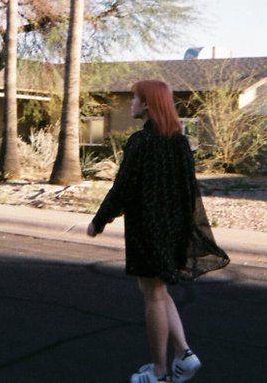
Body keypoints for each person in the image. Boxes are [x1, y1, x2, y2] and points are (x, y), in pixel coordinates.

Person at [87, 79, 229, 383]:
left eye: (134, 98)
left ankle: (159, 372)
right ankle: (184, 355)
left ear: (148, 104)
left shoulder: (141, 142)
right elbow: (189, 190)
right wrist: (186, 229)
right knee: (158, 292)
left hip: (148, 231)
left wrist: (98, 221)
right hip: (173, 228)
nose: (131, 103)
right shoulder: (180, 142)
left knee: (152, 297)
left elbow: (122, 189)